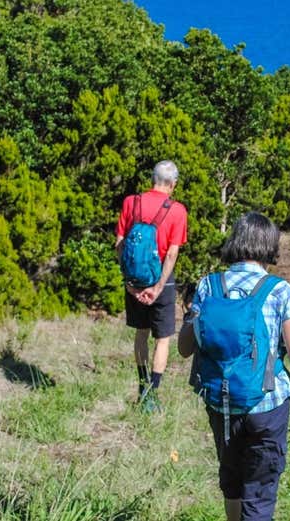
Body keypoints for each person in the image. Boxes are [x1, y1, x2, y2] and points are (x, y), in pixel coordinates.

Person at [178, 211, 290, 521]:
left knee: (231, 480)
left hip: (221, 402)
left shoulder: (209, 286)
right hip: (267, 405)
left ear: (236, 240)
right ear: (270, 246)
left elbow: (183, 348)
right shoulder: (279, 290)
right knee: (259, 493)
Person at [115, 160, 188, 412]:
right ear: (173, 184)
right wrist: (158, 287)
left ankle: (141, 384)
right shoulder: (177, 210)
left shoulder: (130, 203)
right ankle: (152, 395)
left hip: (134, 279)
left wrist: (130, 283)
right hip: (162, 282)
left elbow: (120, 245)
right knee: (163, 339)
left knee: (141, 334)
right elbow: (171, 254)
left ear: (152, 179)